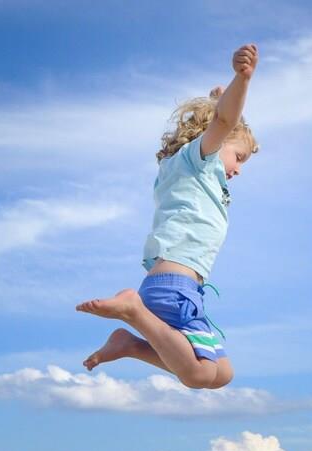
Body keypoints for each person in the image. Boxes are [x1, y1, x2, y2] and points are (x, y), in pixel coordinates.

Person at [76, 44, 259, 389]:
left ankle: (129, 344)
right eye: (239, 157)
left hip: (187, 289)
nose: (239, 169)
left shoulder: (183, 172)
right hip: (172, 287)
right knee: (198, 374)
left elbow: (223, 119)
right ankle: (133, 311)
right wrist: (242, 79)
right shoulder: (198, 161)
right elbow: (224, 121)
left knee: (222, 373)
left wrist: (218, 100)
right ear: (217, 140)